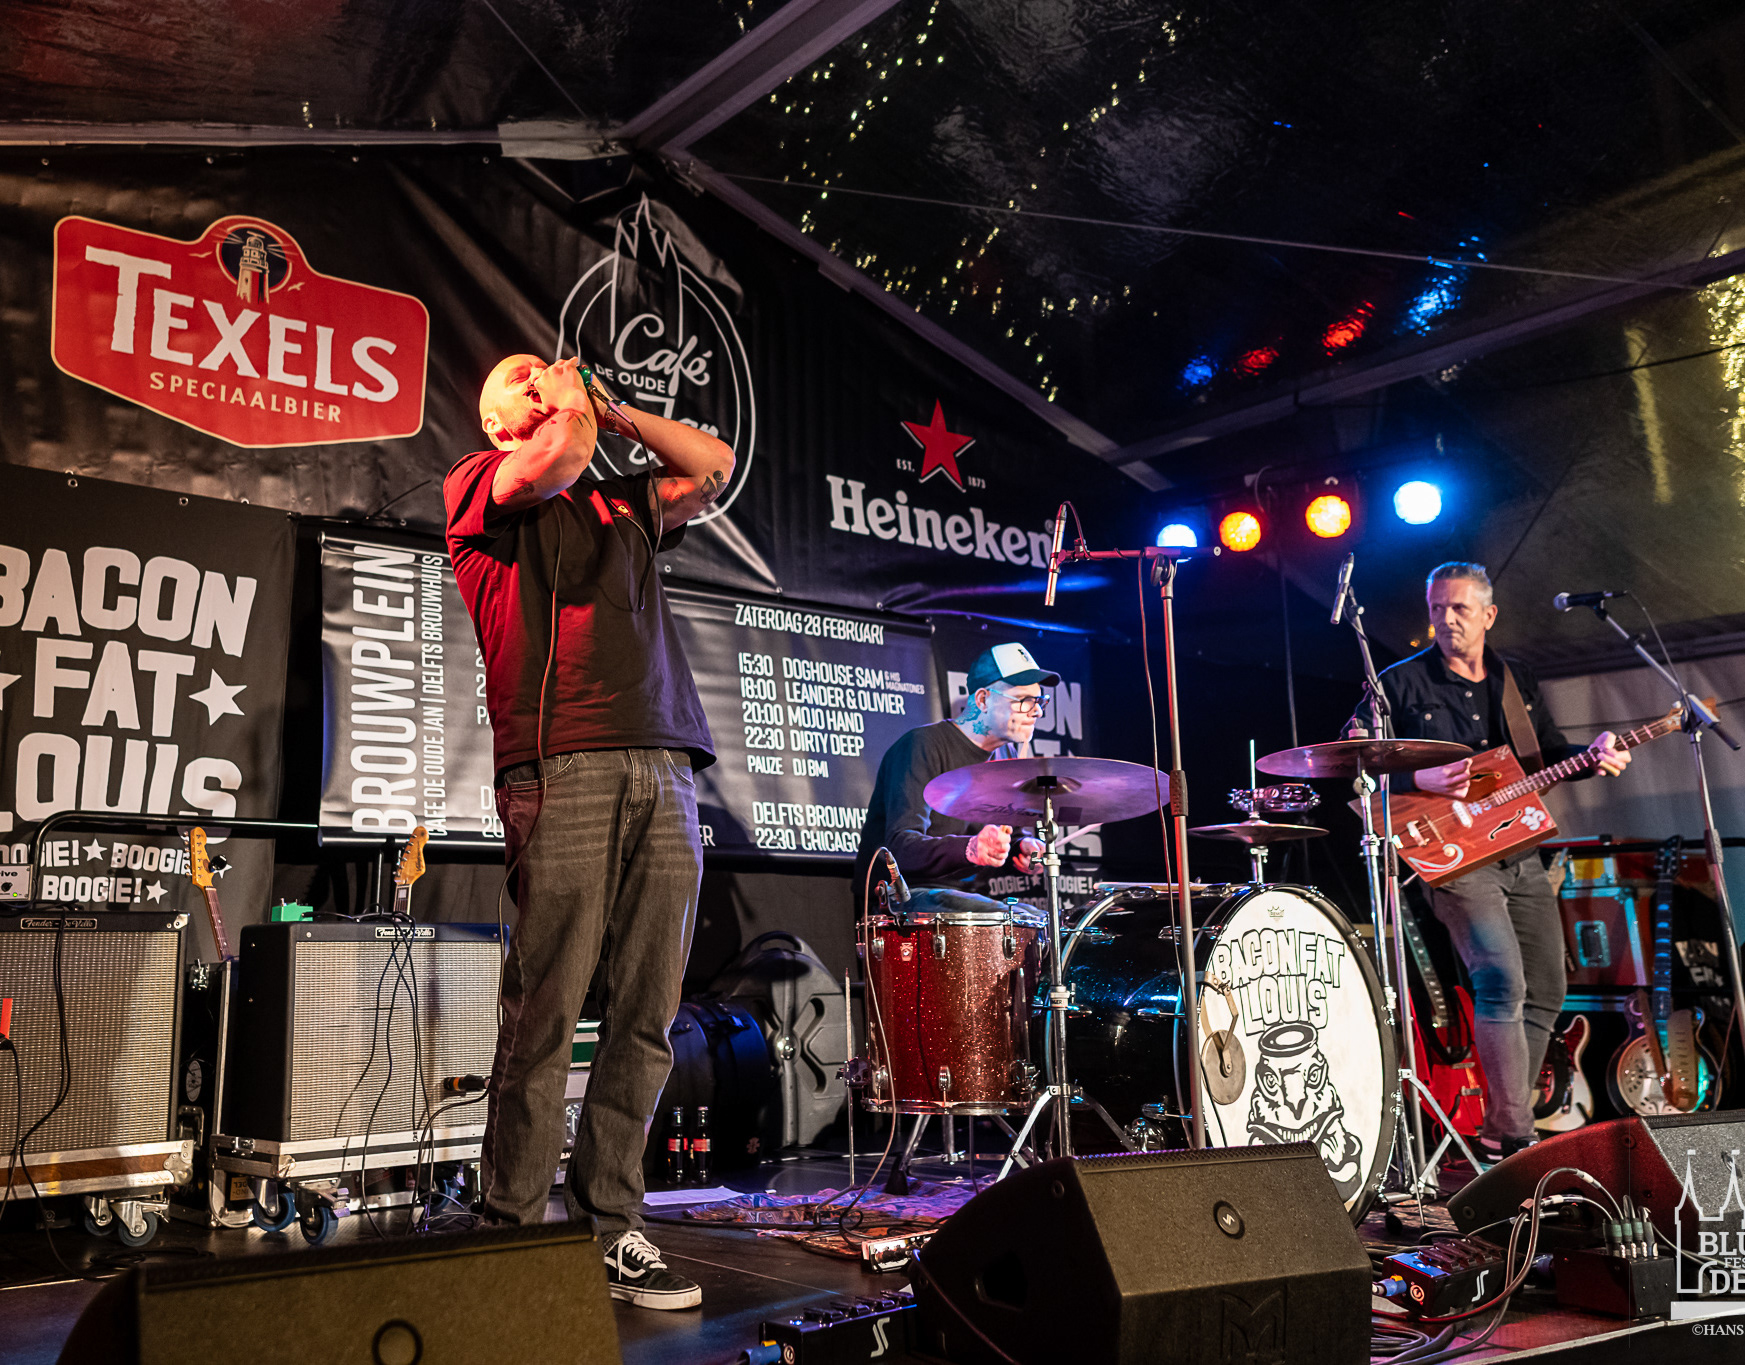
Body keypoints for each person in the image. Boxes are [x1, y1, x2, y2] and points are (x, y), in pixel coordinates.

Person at [444, 353, 734, 1309]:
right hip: (561, 760)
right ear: (496, 424)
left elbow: (713, 464)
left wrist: (619, 414)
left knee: (647, 1013)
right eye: (518, 377)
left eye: (546, 369)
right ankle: (509, 1237)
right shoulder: (481, 484)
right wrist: (572, 407)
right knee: (547, 1010)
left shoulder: (620, 501)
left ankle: (614, 1225)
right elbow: (559, 456)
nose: (541, 378)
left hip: (667, 762)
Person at [1357, 562, 1629, 1161]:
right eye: (1437, 608)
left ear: (1489, 615)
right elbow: (1353, 761)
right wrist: (1417, 777)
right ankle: (1515, 1137)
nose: (1446, 619)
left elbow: (1543, 756)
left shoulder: (1515, 678)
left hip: (1518, 847)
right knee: (1502, 980)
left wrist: (1591, 755)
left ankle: (1498, 1124)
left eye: (1458, 608)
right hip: (1452, 855)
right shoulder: (1398, 684)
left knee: (1548, 988)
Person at [854, 642, 1058, 912]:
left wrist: (1023, 848)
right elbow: (900, 847)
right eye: (1024, 701)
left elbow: (1009, 834)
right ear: (983, 700)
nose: (1038, 712)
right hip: (904, 897)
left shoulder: (1006, 755)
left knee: (1046, 925)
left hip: (967, 898)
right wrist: (970, 848)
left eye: (1039, 701)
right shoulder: (923, 745)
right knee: (1017, 920)